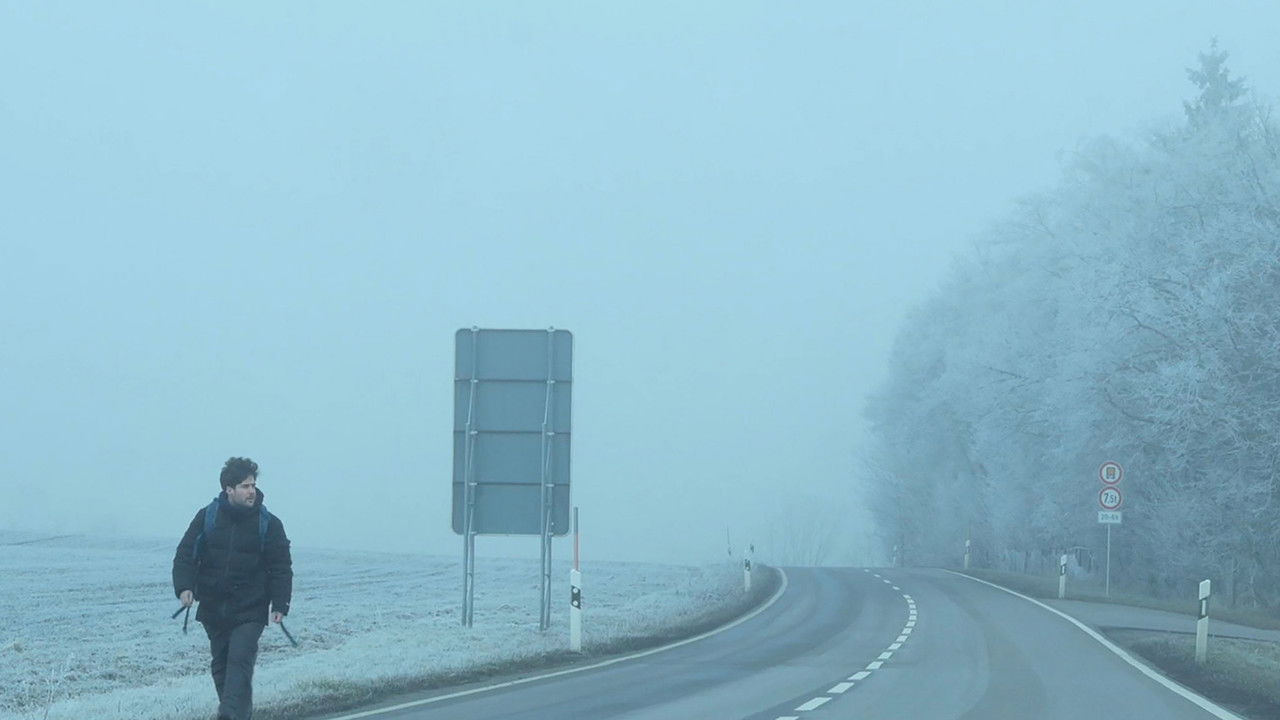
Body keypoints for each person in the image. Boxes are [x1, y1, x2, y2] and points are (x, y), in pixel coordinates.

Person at [173, 457, 293, 720]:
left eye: (253, 485)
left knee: (239, 661)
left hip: (250, 608)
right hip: (214, 608)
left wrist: (280, 604)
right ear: (228, 489)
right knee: (222, 667)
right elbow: (185, 555)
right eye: (244, 486)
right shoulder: (208, 516)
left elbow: (281, 567)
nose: (251, 491)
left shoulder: (269, 523)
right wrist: (184, 588)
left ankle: (228, 716)